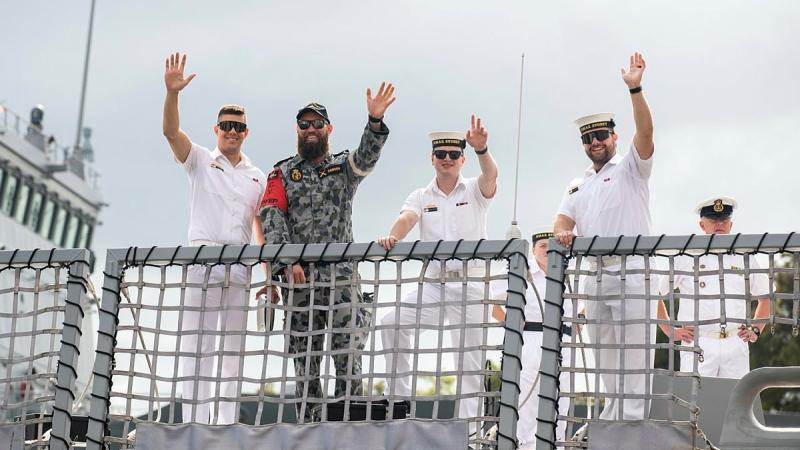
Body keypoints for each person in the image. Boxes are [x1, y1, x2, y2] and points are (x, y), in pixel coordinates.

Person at [259, 84, 396, 421]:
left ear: (328, 129)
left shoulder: (342, 169)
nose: (310, 130)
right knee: (305, 366)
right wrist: (289, 264)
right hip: (300, 283)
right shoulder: (281, 173)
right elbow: (272, 219)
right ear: (297, 130)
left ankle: (349, 433)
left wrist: (375, 120)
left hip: (341, 279)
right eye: (304, 125)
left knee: (348, 359)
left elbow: (366, 158)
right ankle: (309, 435)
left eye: (317, 124)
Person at [162, 52, 267, 424]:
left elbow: (260, 226)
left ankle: (223, 425)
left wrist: (268, 277)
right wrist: (173, 94)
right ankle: (192, 424)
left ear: (246, 132)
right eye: (226, 125)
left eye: (238, 126)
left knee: (233, 349)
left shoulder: (258, 176)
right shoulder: (201, 160)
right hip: (202, 260)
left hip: (240, 265)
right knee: (195, 346)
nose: (232, 131)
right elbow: (172, 134)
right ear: (216, 129)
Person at [377, 116, 498, 430]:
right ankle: (398, 400)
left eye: (454, 155)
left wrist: (483, 149)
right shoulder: (421, 195)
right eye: (441, 155)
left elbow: (491, 177)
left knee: (469, 362)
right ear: (432, 158)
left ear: (462, 159)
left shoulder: (473, 189)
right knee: (392, 323)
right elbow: (406, 218)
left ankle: (470, 434)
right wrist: (393, 236)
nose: (447, 160)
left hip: (471, 283)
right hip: (435, 284)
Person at [554, 52, 656, 421]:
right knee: (606, 357)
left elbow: (645, 133)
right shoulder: (578, 183)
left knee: (634, 355)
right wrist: (563, 234)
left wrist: (635, 89)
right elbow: (563, 219)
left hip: (631, 271)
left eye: (601, 135)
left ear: (614, 136)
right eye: (589, 138)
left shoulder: (630, 166)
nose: (595, 142)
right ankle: (611, 425)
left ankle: (628, 430)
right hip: (594, 275)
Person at [657, 197, 770, 378]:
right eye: (713, 220)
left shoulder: (744, 256)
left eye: (724, 220)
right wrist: (669, 331)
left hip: (736, 341)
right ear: (702, 225)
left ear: (731, 224)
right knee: (695, 401)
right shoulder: (686, 256)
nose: (719, 224)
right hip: (698, 341)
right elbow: (654, 293)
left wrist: (756, 329)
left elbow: (766, 296)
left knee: (735, 401)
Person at [490, 228, 574, 449]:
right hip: (530, 339)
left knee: (561, 399)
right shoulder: (521, 271)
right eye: (542, 246)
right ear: (534, 250)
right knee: (526, 400)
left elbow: (582, 306)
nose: (547, 250)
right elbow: (491, 299)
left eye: (550, 245)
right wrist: (511, 322)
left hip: (563, 342)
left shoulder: (569, 273)